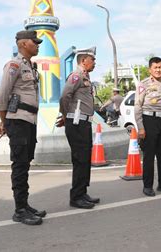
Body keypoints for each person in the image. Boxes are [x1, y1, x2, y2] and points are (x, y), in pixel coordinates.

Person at [0, 30, 45, 226]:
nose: (38, 44)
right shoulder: (14, 65)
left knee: (25, 163)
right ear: (24, 44)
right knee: (19, 165)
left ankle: (25, 205)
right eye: (35, 42)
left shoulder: (31, 67)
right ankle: (19, 210)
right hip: (18, 121)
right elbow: (2, 98)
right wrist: (6, 122)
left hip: (29, 121)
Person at [57, 47, 100, 209]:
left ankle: (82, 192)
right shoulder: (76, 76)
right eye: (92, 60)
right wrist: (65, 116)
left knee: (85, 159)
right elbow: (64, 96)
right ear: (84, 61)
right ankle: (76, 197)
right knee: (80, 159)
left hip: (84, 122)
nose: (94, 63)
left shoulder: (85, 77)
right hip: (76, 123)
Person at [134, 57, 161, 197]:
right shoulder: (143, 84)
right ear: (150, 70)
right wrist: (140, 127)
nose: (158, 70)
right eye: (155, 67)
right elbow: (137, 106)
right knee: (149, 155)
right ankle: (147, 186)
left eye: (160, 67)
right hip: (149, 119)